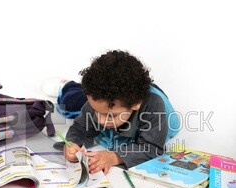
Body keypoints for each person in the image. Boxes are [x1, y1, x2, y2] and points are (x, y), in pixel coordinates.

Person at [42, 50, 180, 174]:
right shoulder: (101, 103)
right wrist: (72, 142)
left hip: (141, 97)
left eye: (111, 115)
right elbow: (80, 127)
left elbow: (151, 148)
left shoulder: (153, 107)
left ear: (135, 104)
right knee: (71, 103)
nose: (101, 121)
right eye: (97, 111)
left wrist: (114, 157)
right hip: (113, 98)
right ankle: (66, 86)